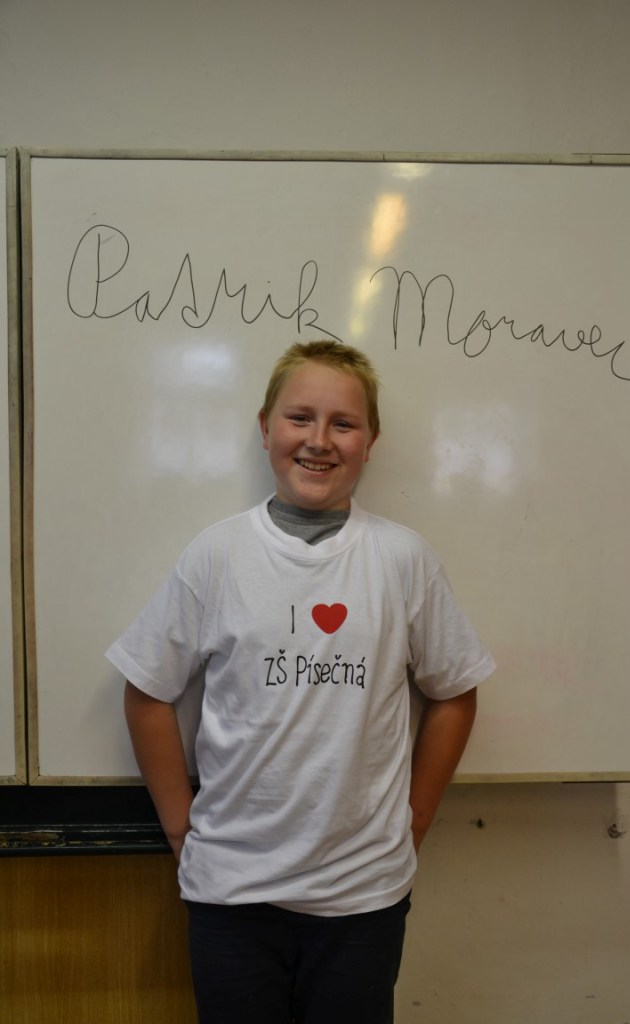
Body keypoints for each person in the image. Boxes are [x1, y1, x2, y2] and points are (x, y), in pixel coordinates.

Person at [106, 340, 495, 1024]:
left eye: (343, 423)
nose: (319, 440)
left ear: (370, 442)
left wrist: (415, 819)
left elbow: (455, 691)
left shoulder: (402, 560)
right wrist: (180, 830)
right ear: (265, 428)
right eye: (299, 418)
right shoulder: (217, 555)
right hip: (231, 893)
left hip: (362, 896)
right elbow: (146, 691)